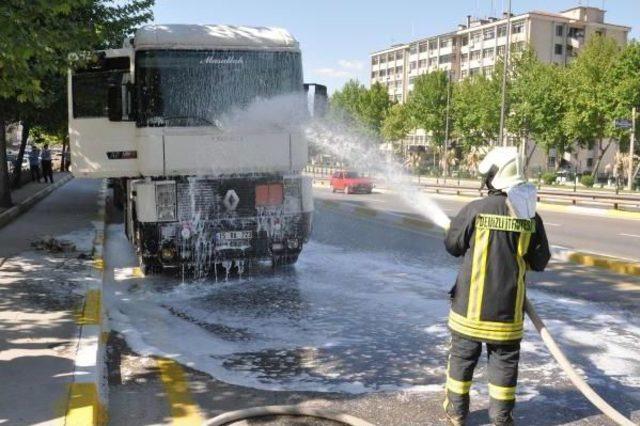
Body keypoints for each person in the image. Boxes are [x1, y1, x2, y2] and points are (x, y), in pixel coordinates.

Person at [442, 147, 550, 426]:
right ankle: (501, 419)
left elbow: (452, 246)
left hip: (469, 312)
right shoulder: (530, 217)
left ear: (495, 176)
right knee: (504, 366)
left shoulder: (475, 209)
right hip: (507, 314)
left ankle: (456, 413)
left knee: (462, 361)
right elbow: (540, 261)